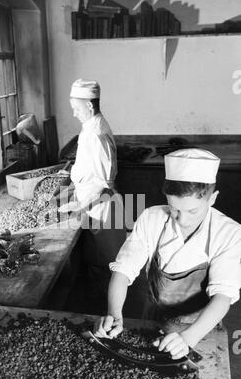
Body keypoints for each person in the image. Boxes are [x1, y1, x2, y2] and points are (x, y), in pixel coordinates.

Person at [94, 148, 241, 359]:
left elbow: (222, 297)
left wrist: (189, 338)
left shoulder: (229, 233)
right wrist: (114, 312)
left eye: (192, 211)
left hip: (200, 326)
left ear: (212, 199)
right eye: (174, 209)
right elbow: (123, 271)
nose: (182, 220)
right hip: (154, 318)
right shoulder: (151, 218)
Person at [59, 79, 126, 312]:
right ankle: (101, 305)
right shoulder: (90, 126)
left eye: (76, 108)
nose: (74, 113)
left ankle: (107, 311)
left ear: (89, 105)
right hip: (92, 206)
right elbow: (90, 168)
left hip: (101, 207)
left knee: (105, 261)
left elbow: (103, 182)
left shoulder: (97, 132)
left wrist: (77, 206)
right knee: (96, 258)